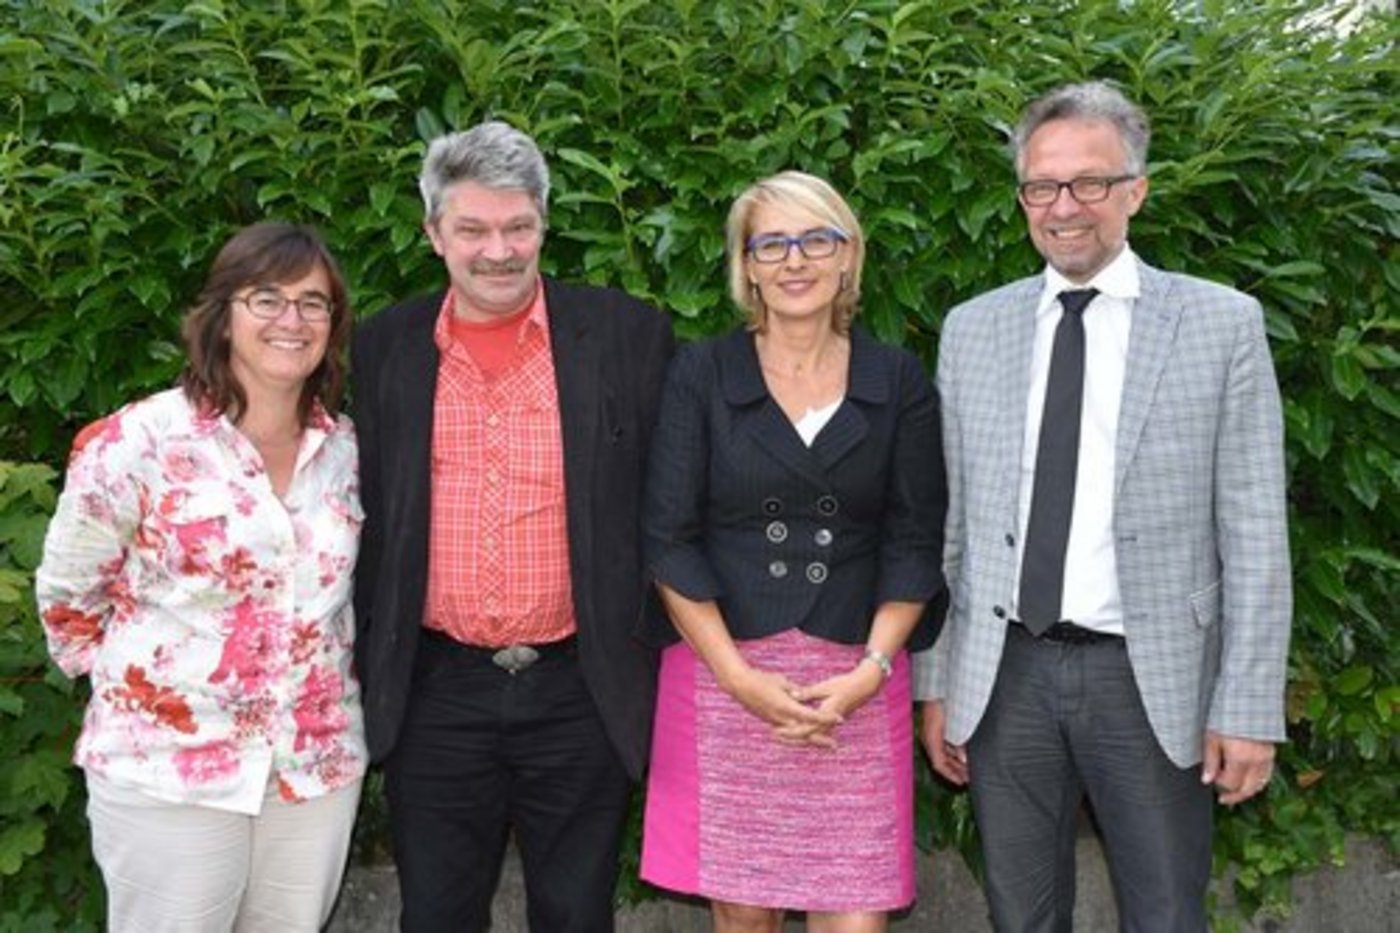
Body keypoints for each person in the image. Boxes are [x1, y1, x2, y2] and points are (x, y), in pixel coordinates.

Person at [914, 80, 1292, 931]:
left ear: (1136, 190)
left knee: (1164, 914)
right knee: (1021, 915)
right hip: (1003, 676)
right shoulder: (973, 328)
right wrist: (937, 681)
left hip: (1150, 679)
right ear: (1022, 199)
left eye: (1090, 182)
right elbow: (953, 526)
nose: (1064, 207)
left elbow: (1257, 530)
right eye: (1042, 186)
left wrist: (1245, 705)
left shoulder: (1219, 324)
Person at [351, 120, 673, 932]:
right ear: (433, 234)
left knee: (575, 912)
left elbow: (670, 503)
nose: (499, 250)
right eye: (473, 229)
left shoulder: (629, 335)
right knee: (437, 913)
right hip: (436, 688)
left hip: (581, 683)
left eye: (518, 226)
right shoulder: (386, 345)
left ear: (544, 223)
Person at [35, 222, 366, 932]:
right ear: (222, 315)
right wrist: (158, 688)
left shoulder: (344, 451)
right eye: (267, 299)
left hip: (312, 767)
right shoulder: (139, 441)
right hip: (167, 770)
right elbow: (68, 597)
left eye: (314, 303)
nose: (292, 320)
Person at [640, 170, 947, 932]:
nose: (794, 260)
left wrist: (868, 673)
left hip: (856, 676)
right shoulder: (702, 372)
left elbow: (914, 539)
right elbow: (668, 537)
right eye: (770, 243)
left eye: (817, 239)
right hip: (725, 670)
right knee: (743, 915)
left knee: (856, 915)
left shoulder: (897, 378)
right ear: (745, 265)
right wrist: (739, 676)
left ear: (848, 258)